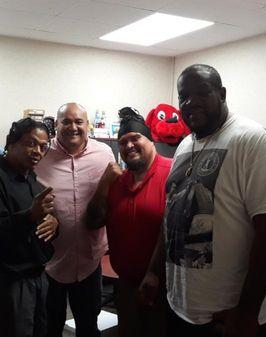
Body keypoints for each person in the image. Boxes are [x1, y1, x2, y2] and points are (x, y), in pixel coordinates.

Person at [141, 64, 266, 337]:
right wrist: (154, 271)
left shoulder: (253, 140)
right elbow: (172, 216)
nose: (191, 102)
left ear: (222, 94)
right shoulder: (186, 145)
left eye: (202, 92)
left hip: (227, 316)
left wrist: (247, 312)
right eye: (184, 96)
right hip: (181, 306)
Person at [85, 107, 171, 337]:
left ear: (151, 141)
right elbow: (92, 222)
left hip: (165, 287)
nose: (129, 145)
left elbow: (176, 230)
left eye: (135, 138)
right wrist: (104, 183)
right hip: (126, 285)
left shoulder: (172, 173)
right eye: (122, 142)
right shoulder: (117, 182)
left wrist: (153, 273)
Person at [35, 103, 115, 337]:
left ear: (87, 124)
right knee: (49, 325)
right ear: (56, 125)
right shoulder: (41, 153)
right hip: (49, 260)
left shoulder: (104, 154)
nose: (73, 127)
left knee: (89, 324)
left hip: (89, 259)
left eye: (78, 121)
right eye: (66, 121)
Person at [0, 118, 59, 337]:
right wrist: (31, 215)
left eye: (43, 146)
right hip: (10, 282)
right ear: (11, 143)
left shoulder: (32, 179)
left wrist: (54, 223)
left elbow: (43, 224)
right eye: (31, 143)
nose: (37, 151)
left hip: (39, 277)